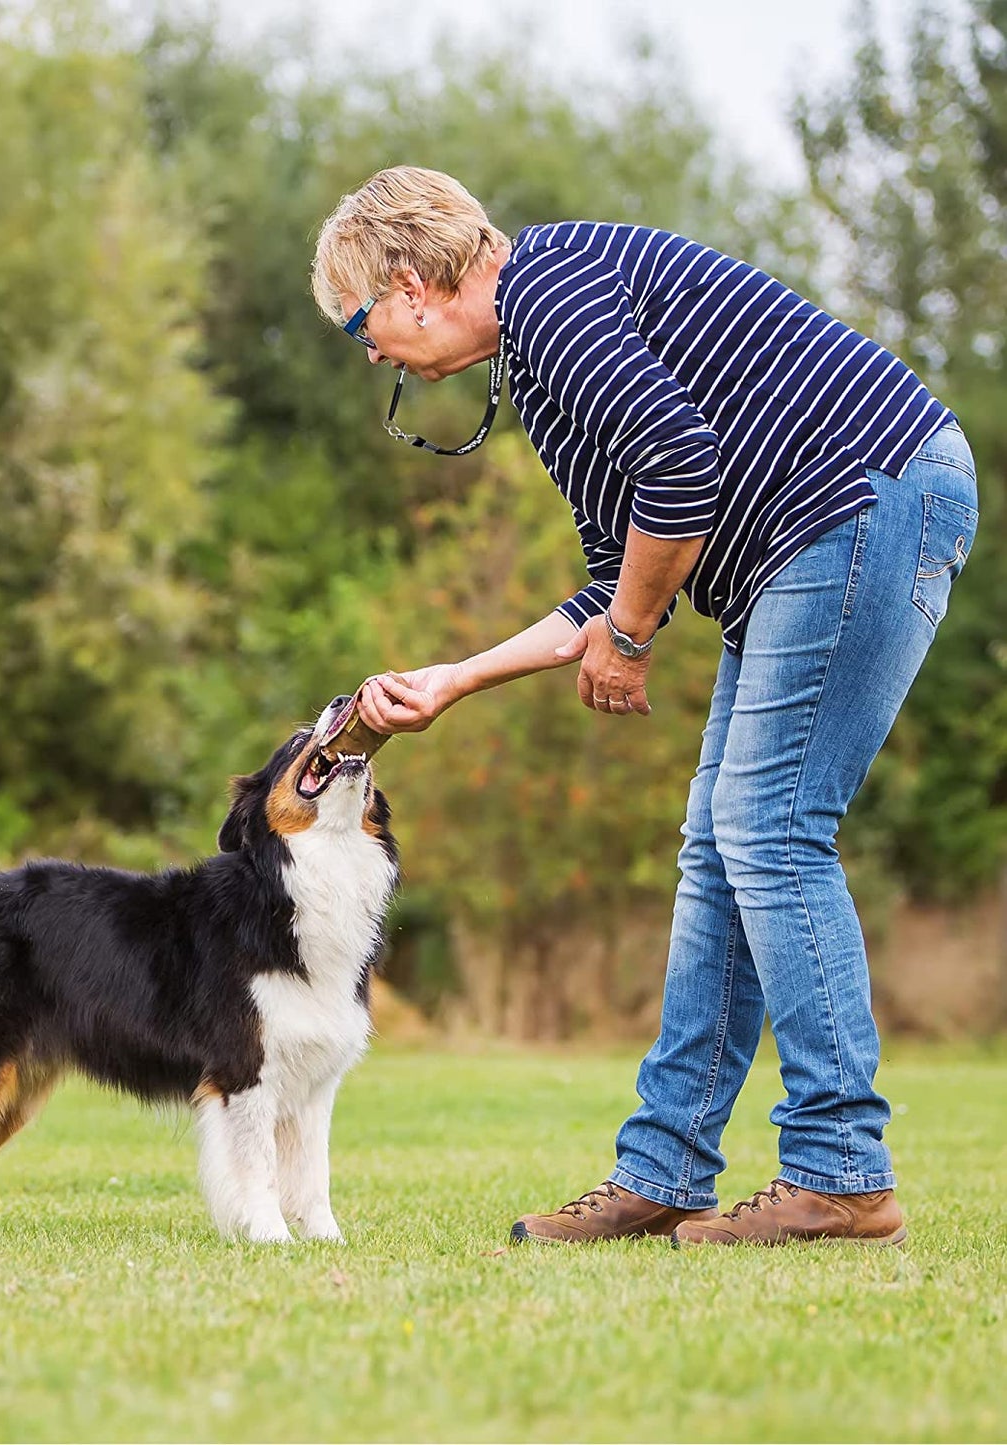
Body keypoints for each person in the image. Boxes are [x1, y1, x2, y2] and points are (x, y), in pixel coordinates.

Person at [311, 166, 979, 1247]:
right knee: (720, 842)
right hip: (812, 534)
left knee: (768, 830)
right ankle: (664, 1170)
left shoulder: (552, 290)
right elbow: (613, 569)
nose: (375, 355)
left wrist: (626, 638)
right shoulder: (543, 349)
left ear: (408, 285)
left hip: (862, 498)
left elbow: (677, 470)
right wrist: (453, 680)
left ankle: (841, 1169)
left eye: (362, 329)